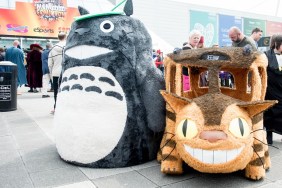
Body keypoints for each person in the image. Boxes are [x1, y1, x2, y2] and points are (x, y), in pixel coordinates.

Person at [263, 34, 282, 145]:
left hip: (281, 89)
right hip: (271, 90)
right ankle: (268, 137)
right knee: (270, 113)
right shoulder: (266, 55)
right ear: (277, 43)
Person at [48, 31, 67, 114]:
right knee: (66, 91)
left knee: (56, 91)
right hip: (66, 73)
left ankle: (56, 107)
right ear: (65, 37)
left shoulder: (53, 49)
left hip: (56, 73)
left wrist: (51, 74)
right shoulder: (69, 46)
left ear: (58, 38)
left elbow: (49, 64)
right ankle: (66, 108)